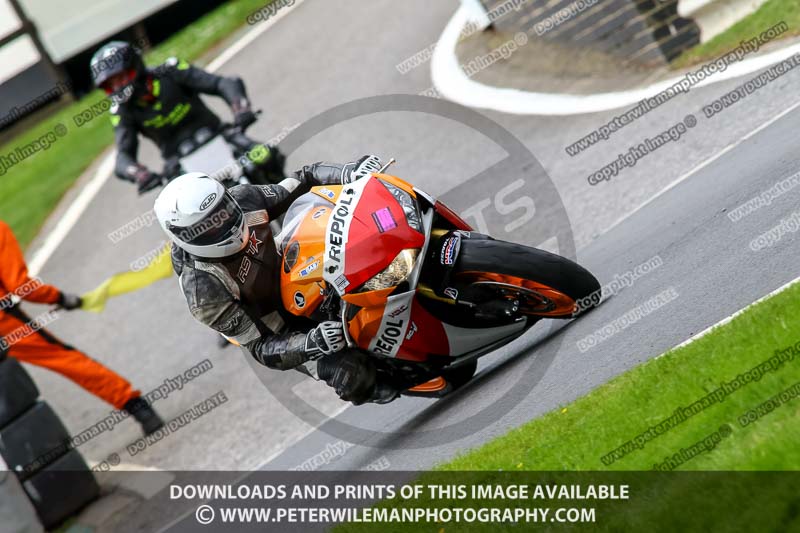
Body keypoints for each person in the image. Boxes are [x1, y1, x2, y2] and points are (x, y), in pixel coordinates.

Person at [154, 156, 399, 405]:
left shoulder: (243, 199)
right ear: (185, 236)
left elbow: (304, 178)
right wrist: (311, 343)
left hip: (292, 265)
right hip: (278, 324)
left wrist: (348, 172)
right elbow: (261, 347)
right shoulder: (204, 294)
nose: (225, 224)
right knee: (355, 378)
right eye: (209, 226)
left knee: (367, 248)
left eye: (223, 211)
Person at [0, 220, 163, 435]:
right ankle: (137, 407)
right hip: (7, 326)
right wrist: (59, 297)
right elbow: (21, 285)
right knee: (67, 360)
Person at [89, 41, 285, 193]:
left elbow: (223, 83)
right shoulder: (120, 110)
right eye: (111, 84)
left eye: (121, 77)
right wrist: (139, 174)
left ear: (135, 66)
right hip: (178, 164)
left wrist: (241, 108)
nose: (118, 87)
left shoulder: (170, 70)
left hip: (221, 136)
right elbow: (123, 156)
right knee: (179, 218)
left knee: (266, 156)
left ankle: (296, 206)